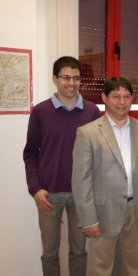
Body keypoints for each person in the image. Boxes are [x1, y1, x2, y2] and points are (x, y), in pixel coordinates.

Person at [23, 56, 101, 276]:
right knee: (49, 251)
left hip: (81, 194)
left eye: (76, 78)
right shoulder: (40, 112)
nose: (71, 83)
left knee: (79, 250)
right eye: (66, 77)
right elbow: (30, 153)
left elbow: (98, 154)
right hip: (48, 194)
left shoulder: (92, 111)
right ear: (54, 79)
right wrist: (35, 189)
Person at [71, 77, 138, 276]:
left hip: (137, 211)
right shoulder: (87, 133)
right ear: (104, 98)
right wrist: (89, 220)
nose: (122, 102)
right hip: (103, 213)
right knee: (100, 269)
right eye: (116, 96)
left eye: (126, 96)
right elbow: (80, 181)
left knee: (135, 267)